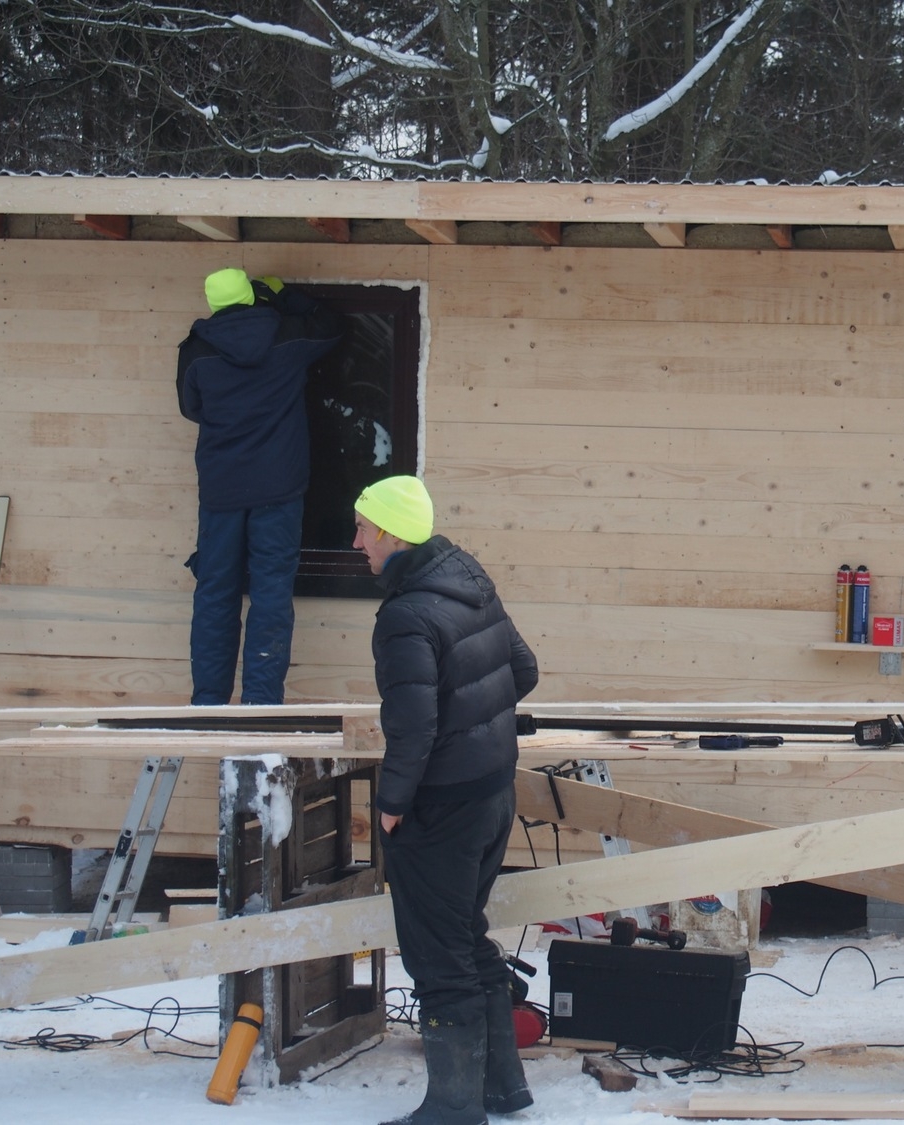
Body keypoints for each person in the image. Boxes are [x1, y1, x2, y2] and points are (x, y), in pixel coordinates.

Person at [353, 475, 540, 1125]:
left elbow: (414, 726)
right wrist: (480, 724)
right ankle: (501, 1087)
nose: (356, 542)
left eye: (362, 528)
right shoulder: (465, 573)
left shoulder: (405, 614)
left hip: (442, 806)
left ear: (391, 533)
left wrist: (391, 802)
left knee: (437, 953)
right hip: (493, 793)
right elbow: (524, 670)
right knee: (464, 935)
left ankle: (453, 1108)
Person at [177, 267, 342, 705]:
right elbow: (332, 328)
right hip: (279, 491)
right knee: (270, 594)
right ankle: (261, 702)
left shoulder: (196, 351)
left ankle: (208, 703)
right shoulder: (287, 336)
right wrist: (287, 296)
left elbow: (190, 407)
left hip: (221, 492)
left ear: (213, 305)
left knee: (215, 593)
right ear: (252, 296)